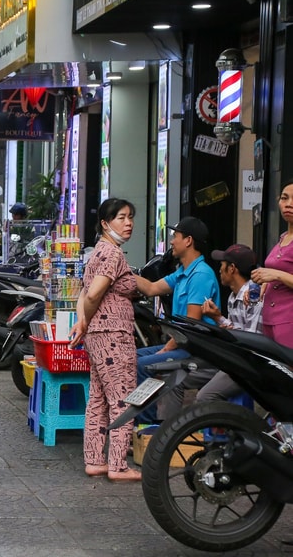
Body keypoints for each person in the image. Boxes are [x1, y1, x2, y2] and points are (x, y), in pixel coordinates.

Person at [68, 198, 140, 482]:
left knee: (98, 398)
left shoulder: (97, 251)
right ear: (105, 223)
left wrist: (84, 323)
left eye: (130, 217)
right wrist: (84, 321)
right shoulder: (112, 254)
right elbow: (94, 293)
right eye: (121, 217)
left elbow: (83, 294)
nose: (128, 223)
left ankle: (95, 460)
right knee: (123, 399)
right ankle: (118, 465)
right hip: (113, 335)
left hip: (98, 335)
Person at [134, 216, 220, 423]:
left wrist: (166, 348)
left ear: (188, 240)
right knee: (132, 358)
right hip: (182, 344)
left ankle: (148, 428)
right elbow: (152, 288)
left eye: (176, 236)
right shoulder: (183, 272)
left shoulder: (201, 275)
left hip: (195, 348)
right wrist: (120, 267)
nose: (172, 241)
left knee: (142, 366)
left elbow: (191, 324)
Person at [195, 243, 262, 402]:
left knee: (204, 397)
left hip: (249, 364)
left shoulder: (253, 296)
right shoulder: (233, 296)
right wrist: (217, 317)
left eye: (222, 265)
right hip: (235, 358)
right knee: (180, 374)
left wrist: (218, 319)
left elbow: (251, 344)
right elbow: (238, 332)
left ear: (232, 268)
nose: (219, 269)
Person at [251, 180, 293, 348]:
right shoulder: (283, 237)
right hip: (270, 316)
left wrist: (276, 275)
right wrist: (265, 283)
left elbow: (280, 274)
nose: (289, 204)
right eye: (284, 198)